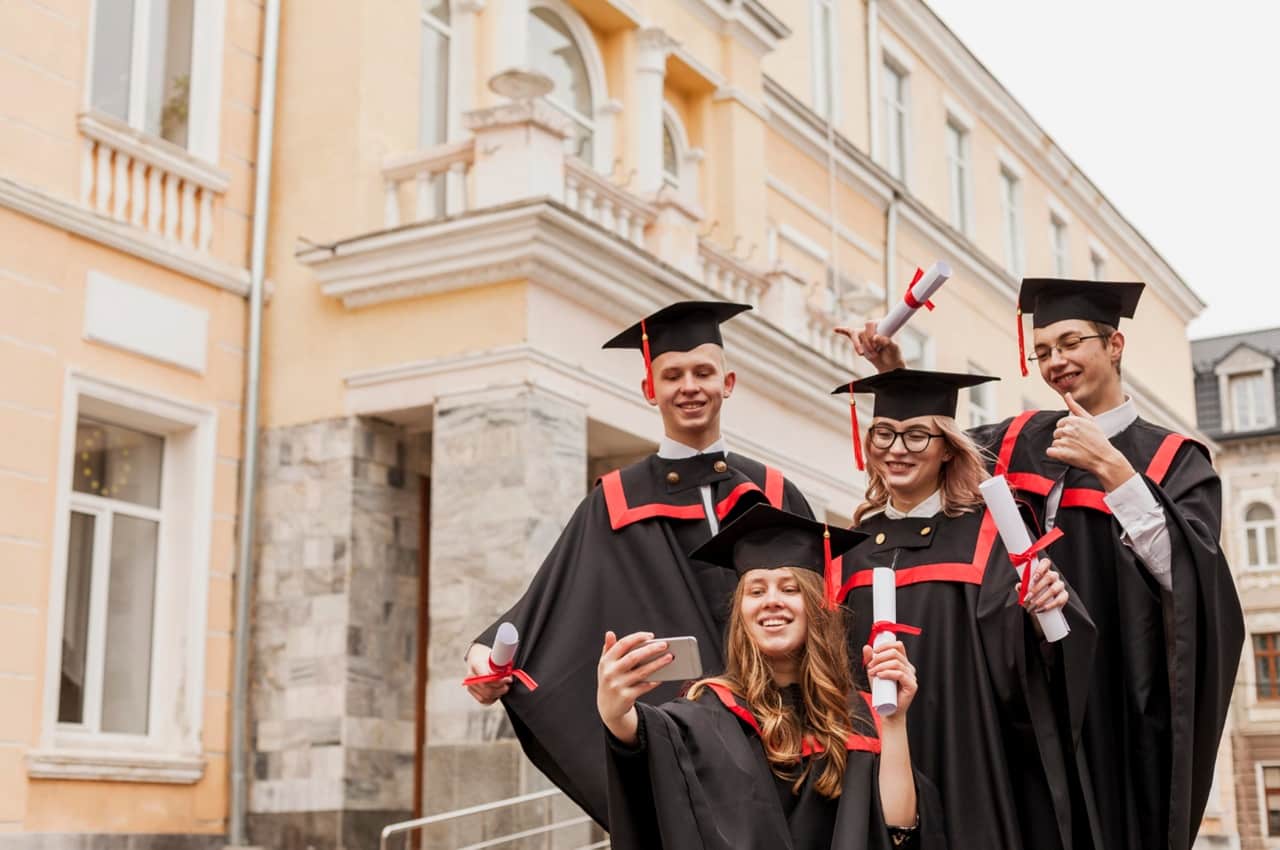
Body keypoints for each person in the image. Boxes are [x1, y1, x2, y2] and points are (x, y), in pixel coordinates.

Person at [840, 279, 1243, 850]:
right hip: (1020, 683)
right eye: (1044, 350)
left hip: (1113, 687)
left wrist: (1115, 471)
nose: (1056, 361)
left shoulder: (1172, 457)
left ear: (1115, 346)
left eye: (1070, 343)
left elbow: (1191, 578)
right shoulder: (1017, 441)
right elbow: (919, 442)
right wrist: (897, 371)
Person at [465, 301, 814, 826]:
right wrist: (486, 654)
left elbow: (824, 610)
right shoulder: (615, 499)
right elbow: (551, 602)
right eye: (672, 375)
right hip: (682, 744)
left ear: (729, 382)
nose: (689, 387)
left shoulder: (772, 492)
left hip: (783, 735)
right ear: (651, 390)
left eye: (703, 372)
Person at [833, 368, 1090, 850]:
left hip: (971, 753)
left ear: (948, 446)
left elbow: (1037, 665)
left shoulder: (993, 535)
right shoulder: (850, 551)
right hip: (872, 763)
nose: (897, 448)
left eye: (916, 435)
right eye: (884, 434)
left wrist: (1043, 613)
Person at [598, 504, 945, 850]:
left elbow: (899, 832)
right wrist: (616, 714)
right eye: (757, 591)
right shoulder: (711, 714)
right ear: (741, 613)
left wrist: (895, 721)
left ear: (817, 605)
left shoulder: (859, 716)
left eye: (790, 589)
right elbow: (649, 743)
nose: (772, 601)